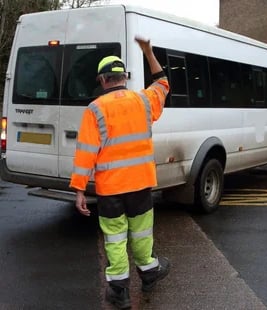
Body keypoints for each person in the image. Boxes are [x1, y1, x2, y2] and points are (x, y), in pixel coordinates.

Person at [69, 37, 170, 309]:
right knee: (141, 232)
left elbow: (86, 152)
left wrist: (79, 189)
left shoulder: (95, 109)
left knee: (115, 237)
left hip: (111, 189)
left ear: (102, 80)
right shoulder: (144, 101)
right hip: (141, 185)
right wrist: (148, 50)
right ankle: (149, 273)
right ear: (124, 77)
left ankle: (119, 292)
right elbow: (162, 83)